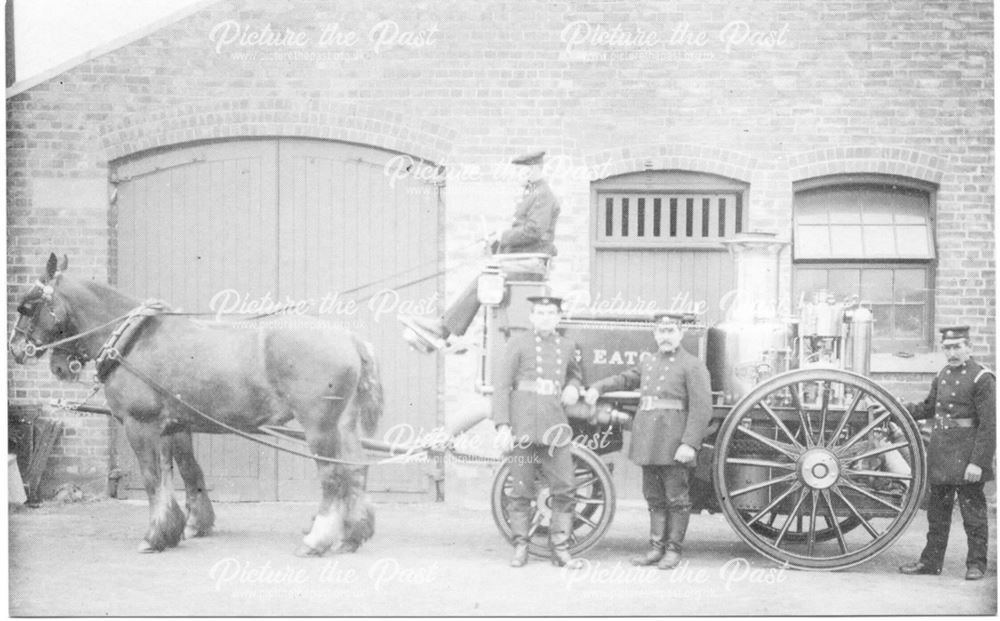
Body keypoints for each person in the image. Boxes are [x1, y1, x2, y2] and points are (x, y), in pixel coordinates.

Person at [583, 312, 712, 569]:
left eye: (670, 331)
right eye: (661, 331)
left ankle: (673, 550)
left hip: (675, 440)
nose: (665, 336)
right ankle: (655, 548)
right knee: (653, 496)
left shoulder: (692, 365)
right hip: (648, 439)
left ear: (680, 333)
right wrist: (597, 387)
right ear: (654, 334)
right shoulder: (649, 362)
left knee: (676, 497)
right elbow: (624, 379)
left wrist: (689, 443)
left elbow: (702, 408)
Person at [399, 150, 560, 353]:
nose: (518, 176)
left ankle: (443, 328)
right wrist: (496, 242)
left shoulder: (543, 195)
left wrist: (503, 236)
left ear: (534, 169)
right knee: (487, 275)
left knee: (487, 278)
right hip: (524, 260)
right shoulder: (534, 193)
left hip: (531, 264)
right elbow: (526, 233)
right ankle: (446, 327)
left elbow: (534, 231)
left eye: (522, 171)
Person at [492, 296, 584, 568]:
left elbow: (576, 374)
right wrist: (503, 426)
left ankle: (561, 548)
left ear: (558, 317)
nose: (545, 317)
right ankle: (521, 546)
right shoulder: (518, 343)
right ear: (532, 317)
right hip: (522, 428)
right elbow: (502, 386)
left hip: (554, 428)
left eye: (550, 313)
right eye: (540, 312)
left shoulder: (567, 346)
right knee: (521, 490)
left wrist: (573, 386)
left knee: (565, 489)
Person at [899, 325, 995, 581]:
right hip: (942, 453)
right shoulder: (942, 374)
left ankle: (976, 564)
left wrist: (978, 462)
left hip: (967, 457)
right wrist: (899, 409)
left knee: (973, 515)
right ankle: (931, 562)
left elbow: (989, 426)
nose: (952, 352)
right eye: (947, 347)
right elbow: (928, 408)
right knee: (937, 515)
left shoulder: (982, 378)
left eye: (957, 346)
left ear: (969, 347)